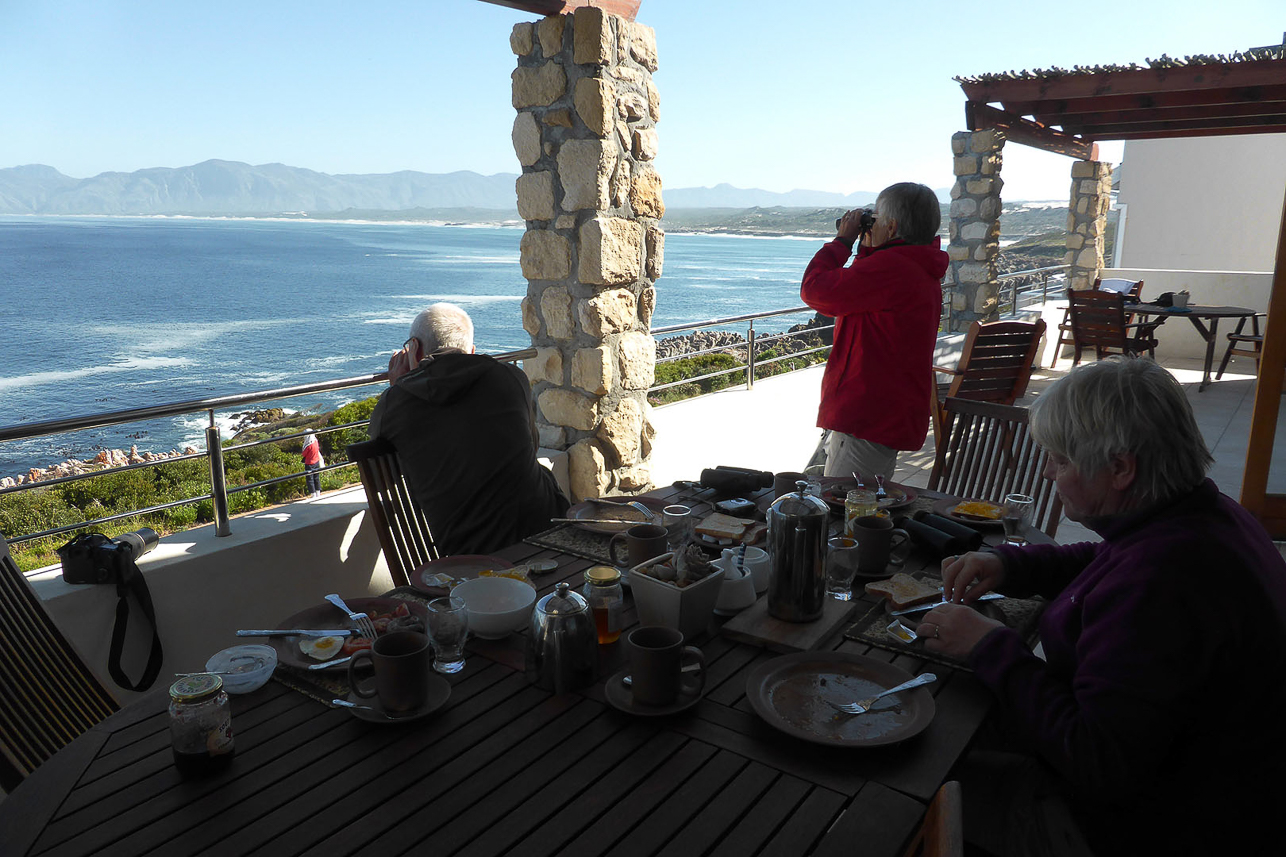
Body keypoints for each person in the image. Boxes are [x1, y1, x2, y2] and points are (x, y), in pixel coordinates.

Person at [918, 357, 1286, 855]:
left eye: (1061, 460)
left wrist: (990, 647)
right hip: (1209, 785)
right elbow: (1113, 556)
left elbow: (1097, 762)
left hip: (1145, 825)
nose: (1048, 472)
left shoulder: (1164, 588)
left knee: (921, 776)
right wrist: (1011, 565)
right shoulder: (1201, 518)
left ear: (1119, 468)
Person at [368, 303, 568, 556]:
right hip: (550, 532)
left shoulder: (396, 402)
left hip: (468, 556)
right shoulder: (511, 377)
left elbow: (383, 458)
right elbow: (531, 445)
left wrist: (398, 387)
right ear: (470, 352)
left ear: (414, 349)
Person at [799, 182, 947, 480]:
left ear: (891, 227)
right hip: (875, 414)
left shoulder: (892, 269)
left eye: (875, 218)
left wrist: (841, 242)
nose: (870, 223)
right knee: (819, 498)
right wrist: (867, 249)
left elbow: (815, 290)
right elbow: (861, 293)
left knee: (845, 512)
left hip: (866, 417)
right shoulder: (912, 267)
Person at [301, 431, 324, 499]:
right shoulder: (315, 442)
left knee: (310, 479)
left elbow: (303, 454)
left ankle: (313, 493)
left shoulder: (308, 445)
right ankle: (318, 492)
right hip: (316, 462)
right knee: (316, 478)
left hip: (309, 463)